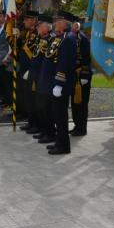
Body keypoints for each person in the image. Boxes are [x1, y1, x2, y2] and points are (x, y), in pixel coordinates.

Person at [46, 11, 78, 155]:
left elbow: (65, 63)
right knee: (57, 115)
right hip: (58, 81)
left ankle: (64, 146)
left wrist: (59, 82)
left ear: (65, 23)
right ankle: (59, 142)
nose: (55, 24)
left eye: (58, 21)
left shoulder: (68, 38)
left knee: (61, 116)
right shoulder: (62, 37)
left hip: (62, 83)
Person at [29, 15, 53, 140]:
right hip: (37, 76)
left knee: (46, 107)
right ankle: (42, 129)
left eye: (40, 26)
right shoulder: (40, 38)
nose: (37, 28)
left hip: (44, 78)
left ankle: (49, 132)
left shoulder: (51, 40)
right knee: (39, 105)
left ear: (47, 27)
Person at [16, 11, 39, 128]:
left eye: (26, 19)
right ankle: (29, 119)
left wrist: (30, 69)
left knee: (31, 97)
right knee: (26, 95)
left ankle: (33, 122)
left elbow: (35, 54)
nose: (24, 22)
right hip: (24, 68)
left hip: (31, 69)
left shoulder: (36, 34)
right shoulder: (28, 32)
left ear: (34, 20)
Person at [69, 20, 91, 136]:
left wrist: (85, 74)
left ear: (78, 26)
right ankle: (77, 125)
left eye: (74, 25)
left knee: (81, 104)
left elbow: (87, 57)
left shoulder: (83, 39)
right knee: (74, 103)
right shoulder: (72, 37)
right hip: (74, 75)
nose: (72, 27)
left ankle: (82, 128)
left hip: (81, 75)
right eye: (72, 25)